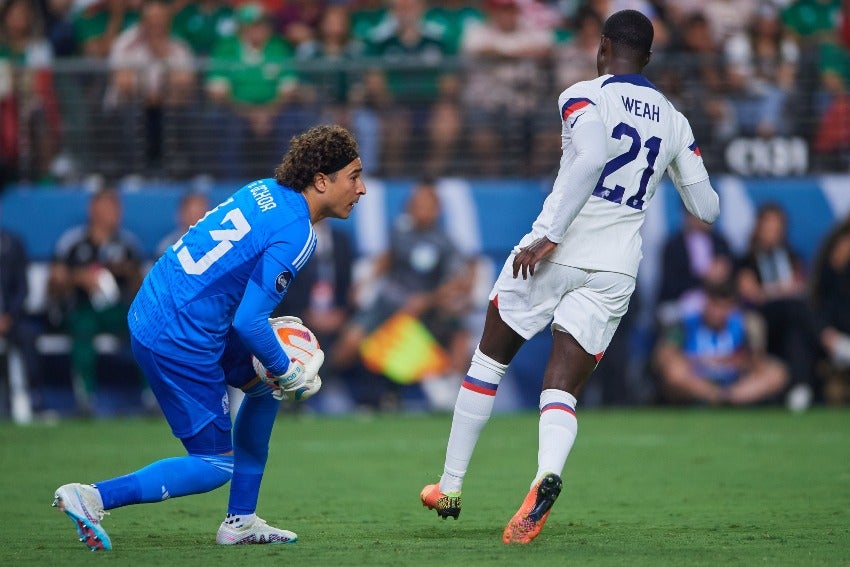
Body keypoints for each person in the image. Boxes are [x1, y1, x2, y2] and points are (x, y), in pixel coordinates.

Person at [420, 10, 720, 544]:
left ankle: (450, 486)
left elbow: (592, 157)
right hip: (616, 266)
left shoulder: (582, 94)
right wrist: (676, 162)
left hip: (553, 251)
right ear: (648, 58)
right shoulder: (673, 119)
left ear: (603, 46)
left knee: (488, 360)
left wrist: (552, 234)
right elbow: (708, 208)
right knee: (562, 387)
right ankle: (546, 475)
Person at [51, 125, 366, 551]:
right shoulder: (298, 233)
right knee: (215, 462)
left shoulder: (265, 189)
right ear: (322, 181)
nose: (362, 188)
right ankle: (91, 497)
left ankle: (241, 521)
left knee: (263, 390)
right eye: (354, 175)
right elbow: (250, 323)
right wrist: (288, 371)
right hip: (180, 333)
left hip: (164, 304)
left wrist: (275, 373)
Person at [47, 187, 144, 414]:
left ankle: (150, 395)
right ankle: (86, 397)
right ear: (93, 209)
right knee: (83, 327)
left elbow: (143, 289)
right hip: (83, 308)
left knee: (144, 327)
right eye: (109, 207)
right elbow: (53, 285)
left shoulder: (127, 243)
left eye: (117, 207)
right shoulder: (72, 242)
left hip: (117, 309)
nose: (116, 213)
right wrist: (77, 278)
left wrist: (127, 271)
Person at [653, 280, 788, 405]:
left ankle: (731, 399)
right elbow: (665, 354)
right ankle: (715, 397)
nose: (718, 313)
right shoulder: (686, 323)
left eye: (724, 307)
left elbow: (756, 361)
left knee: (777, 373)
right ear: (706, 303)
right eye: (715, 306)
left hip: (734, 382)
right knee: (673, 372)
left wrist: (746, 359)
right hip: (697, 380)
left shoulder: (742, 325)